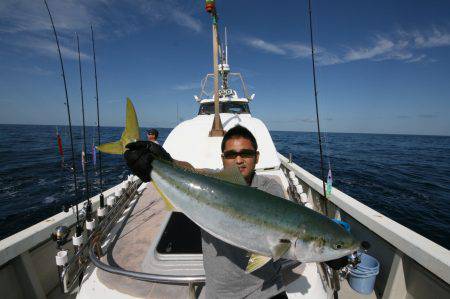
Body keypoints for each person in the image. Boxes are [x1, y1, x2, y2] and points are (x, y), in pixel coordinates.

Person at [124, 125, 288, 299]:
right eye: (231, 155)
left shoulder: (270, 189)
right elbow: (191, 171)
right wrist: (164, 162)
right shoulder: (211, 181)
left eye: (246, 153)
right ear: (223, 159)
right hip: (218, 294)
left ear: (257, 157)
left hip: (268, 290)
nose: (239, 160)